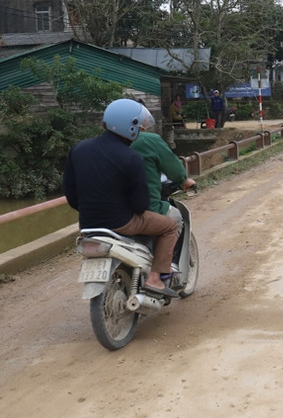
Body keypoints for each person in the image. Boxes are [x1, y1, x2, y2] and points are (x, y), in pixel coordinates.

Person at [62, 98, 180, 298]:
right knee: (169, 226)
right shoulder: (131, 157)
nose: (142, 128)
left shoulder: (79, 149)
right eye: (140, 124)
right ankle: (154, 279)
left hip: (88, 223)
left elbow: (71, 192)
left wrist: (88, 210)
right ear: (131, 126)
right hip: (122, 222)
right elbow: (141, 204)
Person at [131, 104, 196, 250]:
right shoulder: (148, 140)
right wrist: (184, 180)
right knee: (175, 219)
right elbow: (173, 167)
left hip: (106, 213)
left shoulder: (104, 145)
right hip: (146, 209)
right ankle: (164, 269)